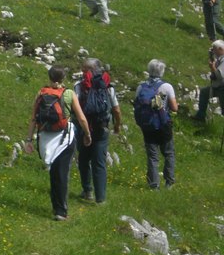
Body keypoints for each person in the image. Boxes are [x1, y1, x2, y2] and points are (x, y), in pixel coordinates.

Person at [25, 65, 92, 221]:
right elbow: (81, 118)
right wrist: (87, 134)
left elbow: (34, 118)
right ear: (63, 78)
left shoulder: (41, 92)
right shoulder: (68, 93)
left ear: (49, 77)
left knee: (53, 173)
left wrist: (28, 140)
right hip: (64, 138)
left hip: (45, 138)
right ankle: (60, 212)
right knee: (62, 174)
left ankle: (56, 207)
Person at [73, 58, 122, 204]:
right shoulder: (108, 86)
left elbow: (74, 106)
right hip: (102, 127)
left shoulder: (79, 86)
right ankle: (100, 199)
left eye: (83, 69)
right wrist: (117, 125)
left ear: (86, 70)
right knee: (99, 162)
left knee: (83, 159)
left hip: (84, 127)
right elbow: (116, 109)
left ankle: (87, 191)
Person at [134, 59, 178, 189]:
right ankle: (169, 182)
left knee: (153, 156)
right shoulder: (166, 87)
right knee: (168, 153)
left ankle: (154, 185)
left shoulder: (141, 87)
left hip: (147, 125)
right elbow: (174, 108)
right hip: (163, 124)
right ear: (162, 71)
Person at [191, 40, 224, 122]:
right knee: (204, 92)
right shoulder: (219, 59)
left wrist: (212, 67)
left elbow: (220, 76)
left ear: (220, 49)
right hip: (218, 86)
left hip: (222, 88)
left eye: (214, 49)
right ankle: (200, 116)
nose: (214, 51)